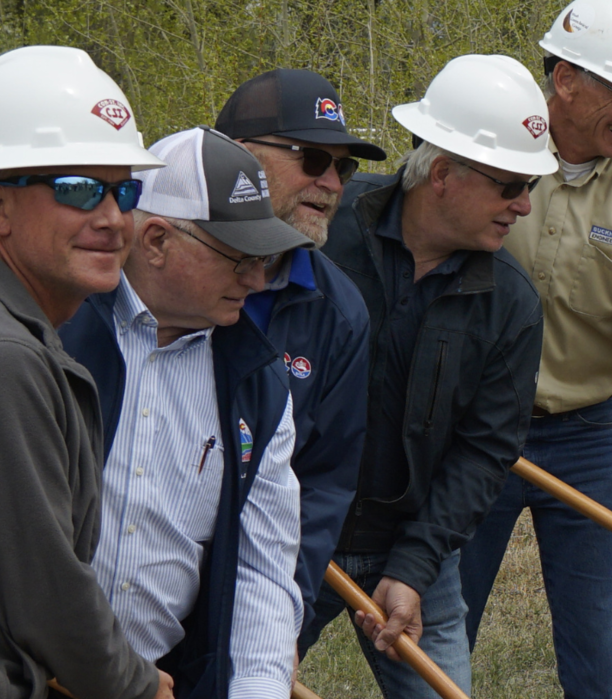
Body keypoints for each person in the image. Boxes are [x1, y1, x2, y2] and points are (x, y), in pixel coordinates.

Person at [0, 45, 177, 699]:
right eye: (77, 189)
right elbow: (43, 587)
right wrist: (135, 684)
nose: (110, 217)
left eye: (123, 189)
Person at [458, 4, 612, 693]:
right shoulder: (482, 142)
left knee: (598, 662)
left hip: (588, 435)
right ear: (565, 79)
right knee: (440, 623)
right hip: (475, 426)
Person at [301, 54, 553, 699]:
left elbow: (485, 449)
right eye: (510, 185)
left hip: (413, 544)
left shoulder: (512, 303)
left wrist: (414, 568)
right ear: (442, 173)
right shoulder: (321, 232)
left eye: (529, 186)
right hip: (289, 539)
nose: (524, 206)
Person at [57, 127, 311, 699]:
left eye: (265, 256)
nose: (258, 279)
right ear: (154, 241)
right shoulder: (55, 326)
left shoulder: (257, 383)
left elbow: (264, 569)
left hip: (158, 679)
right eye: (239, 259)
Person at [212, 68, 384, 645]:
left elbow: (321, 490)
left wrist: (280, 629)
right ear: (237, 157)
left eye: (345, 167)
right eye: (313, 159)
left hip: (249, 589)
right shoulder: (157, 268)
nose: (333, 183)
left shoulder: (340, 311)